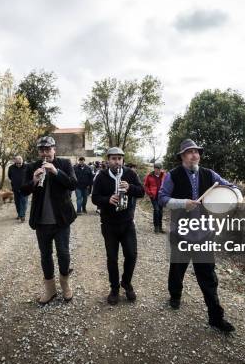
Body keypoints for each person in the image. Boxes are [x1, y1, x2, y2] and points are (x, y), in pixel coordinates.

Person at [158, 139, 236, 333]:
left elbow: (229, 187)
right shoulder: (172, 175)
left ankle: (215, 317)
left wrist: (235, 194)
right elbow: (161, 199)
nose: (195, 155)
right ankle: (175, 296)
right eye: (190, 152)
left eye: (197, 152)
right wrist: (182, 203)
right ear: (182, 156)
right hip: (181, 233)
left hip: (204, 235)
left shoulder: (210, 175)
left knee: (208, 277)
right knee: (177, 270)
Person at [21, 136, 77, 305]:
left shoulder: (65, 164)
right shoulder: (31, 166)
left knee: (64, 253)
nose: (45, 153)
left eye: (48, 149)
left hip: (61, 220)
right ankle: (50, 289)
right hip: (41, 221)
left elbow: (73, 184)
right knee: (45, 255)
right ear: (39, 151)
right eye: (42, 150)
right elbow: (23, 191)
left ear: (54, 149)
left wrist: (56, 172)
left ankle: (65, 284)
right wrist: (34, 181)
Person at [91, 147, 144, 305]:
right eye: (113, 158)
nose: (117, 161)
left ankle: (126, 283)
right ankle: (114, 288)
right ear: (108, 160)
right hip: (109, 224)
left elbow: (141, 192)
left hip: (127, 223)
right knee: (112, 258)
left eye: (119, 158)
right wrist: (108, 200)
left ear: (123, 160)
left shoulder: (130, 174)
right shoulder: (101, 176)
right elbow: (94, 198)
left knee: (132, 255)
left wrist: (130, 188)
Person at [144, 163, 166, 233]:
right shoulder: (149, 176)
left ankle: (160, 227)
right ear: (154, 168)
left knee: (160, 212)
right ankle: (156, 227)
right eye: (156, 168)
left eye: (159, 168)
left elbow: (167, 184)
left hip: (161, 197)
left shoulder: (164, 175)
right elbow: (146, 185)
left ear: (161, 169)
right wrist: (149, 193)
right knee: (156, 210)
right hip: (153, 196)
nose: (158, 170)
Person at [8, 155, 28, 222]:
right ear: (15, 162)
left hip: (25, 188)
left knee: (23, 202)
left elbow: (30, 176)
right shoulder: (11, 168)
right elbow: (10, 176)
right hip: (15, 188)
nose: (19, 164)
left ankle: (22, 215)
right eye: (17, 163)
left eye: (20, 163)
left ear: (22, 161)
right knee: (17, 202)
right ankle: (19, 214)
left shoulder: (27, 167)